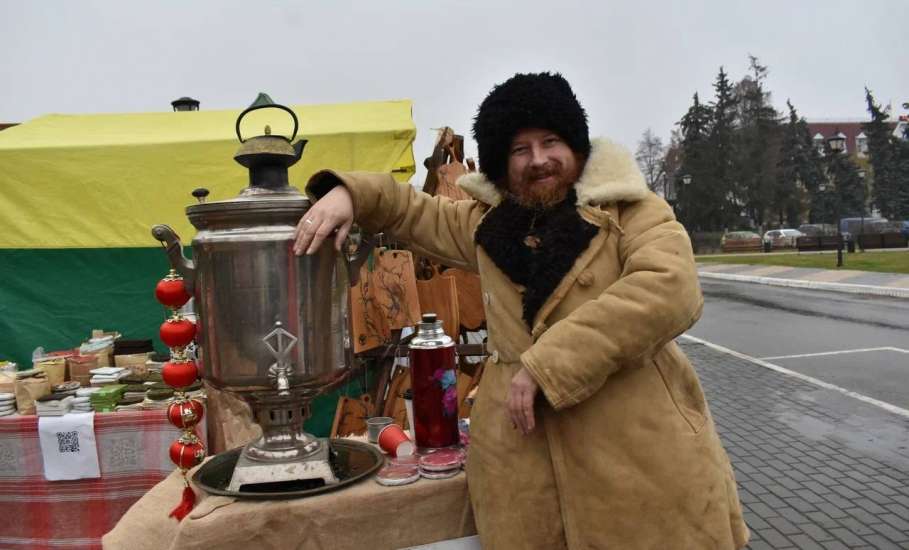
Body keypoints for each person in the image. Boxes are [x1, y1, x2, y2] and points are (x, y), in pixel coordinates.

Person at [294, 72, 749, 550]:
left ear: (574, 144)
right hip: (523, 469)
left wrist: (546, 366)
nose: (539, 160)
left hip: (638, 459)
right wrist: (351, 193)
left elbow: (670, 289)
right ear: (500, 163)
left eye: (550, 141)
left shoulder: (631, 210)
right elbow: (410, 211)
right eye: (519, 149)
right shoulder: (487, 225)